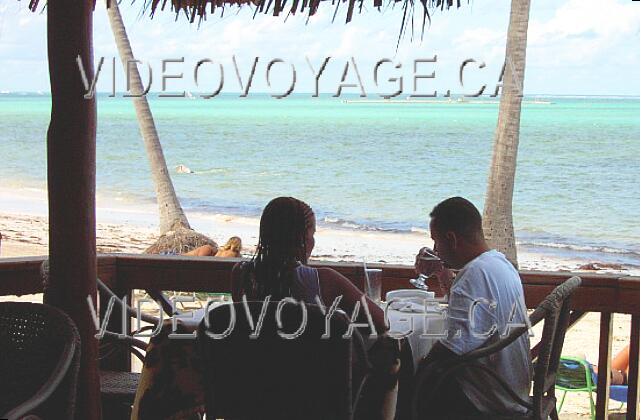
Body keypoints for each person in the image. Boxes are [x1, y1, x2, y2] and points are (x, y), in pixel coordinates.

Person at [415, 197, 531, 417]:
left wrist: (419, 365)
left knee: (406, 381)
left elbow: (450, 351)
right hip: (513, 388)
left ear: (451, 239)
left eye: (436, 242)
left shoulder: (473, 276)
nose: (435, 250)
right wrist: (442, 272)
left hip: (487, 398)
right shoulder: (499, 263)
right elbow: (470, 313)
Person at [231, 196, 386, 333]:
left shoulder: (241, 273)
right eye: (312, 234)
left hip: (256, 363)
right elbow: (382, 323)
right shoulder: (324, 279)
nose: (313, 241)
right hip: (311, 364)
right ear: (301, 238)